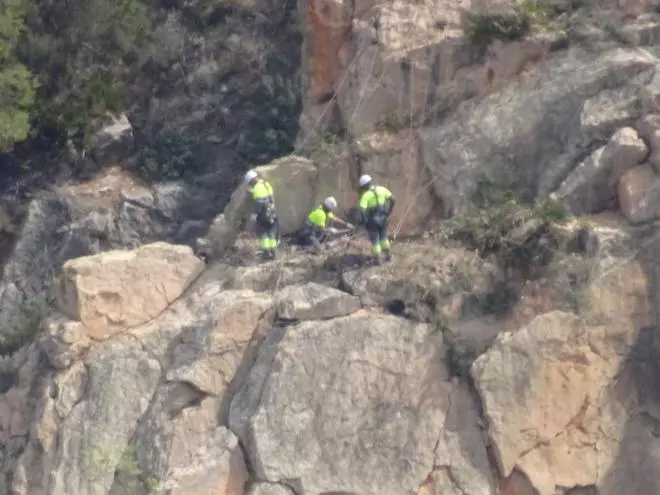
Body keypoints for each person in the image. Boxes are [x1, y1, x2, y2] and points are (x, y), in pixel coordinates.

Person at [357, 174, 395, 265]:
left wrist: (364, 221)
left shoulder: (366, 195)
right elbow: (393, 199)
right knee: (384, 237)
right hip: (383, 218)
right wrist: (389, 212)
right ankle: (388, 256)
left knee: (375, 240)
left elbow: (362, 210)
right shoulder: (382, 189)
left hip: (372, 220)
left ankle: (378, 260)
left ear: (364, 186)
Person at [244, 169, 278, 260]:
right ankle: (274, 251)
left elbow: (260, 202)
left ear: (252, 180)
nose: (250, 184)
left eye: (250, 182)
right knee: (271, 231)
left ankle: (266, 252)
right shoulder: (265, 184)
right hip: (271, 212)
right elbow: (270, 197)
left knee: (263, 232)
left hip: (263, 214)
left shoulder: (257, 188)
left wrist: (255, 215)